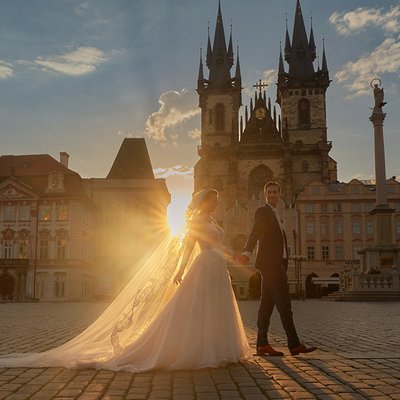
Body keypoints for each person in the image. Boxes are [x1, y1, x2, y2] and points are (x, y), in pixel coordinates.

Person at [0, 189, 252, 372]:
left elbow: (221, 246)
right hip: (204, 266)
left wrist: (236, 255)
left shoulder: (212, 221)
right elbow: (187, 247)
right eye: (213, 202)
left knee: (218, 308)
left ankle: (221, 348)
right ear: (204, 202)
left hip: (218, 267)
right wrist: (179, 269)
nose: (216, 205)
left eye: (218, 202)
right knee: (197, 308)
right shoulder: (196, 221)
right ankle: (197, 348)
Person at [237, 181, 317, 357]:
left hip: (276, 264)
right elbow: (254, 233)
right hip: (271, 264)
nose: (272, 195)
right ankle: (294, 344)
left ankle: (262, 343)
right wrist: (247, 252)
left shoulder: (276, 214)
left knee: (266, 305)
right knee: (284, 304)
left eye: (275, 192)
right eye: (269, 192)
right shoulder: (263, 212)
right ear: (265, 194)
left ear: (279, 194)